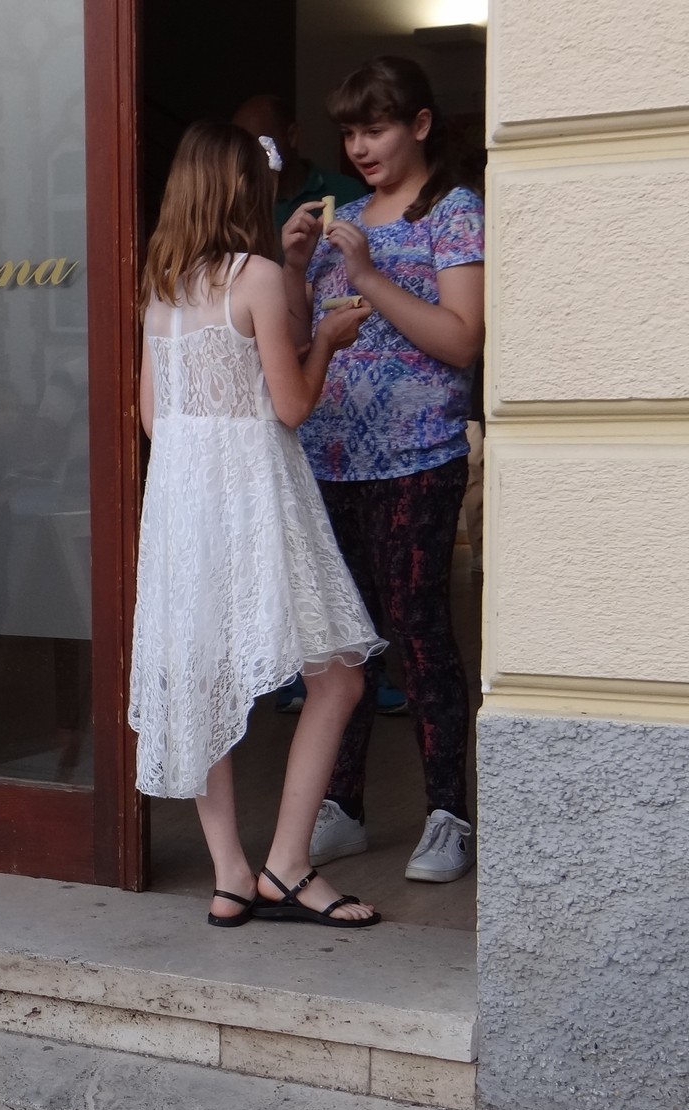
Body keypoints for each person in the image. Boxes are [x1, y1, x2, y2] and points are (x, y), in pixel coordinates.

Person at [130, 121, 386, 930]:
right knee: (339, 673)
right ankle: (286, 863)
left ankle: (231, 875)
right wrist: (330, 343)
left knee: (201, 679)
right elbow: (294, 404)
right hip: (253, 493)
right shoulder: (259, 278)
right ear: (250, 189)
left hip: (179, 499)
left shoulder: (162, 286)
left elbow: (148, 417)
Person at [279, 57, 485, 883]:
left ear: (421, 125)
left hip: (417, 459)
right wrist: (295, 268)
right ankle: (344, 805)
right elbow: (298, 342)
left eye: (377, 128)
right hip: (331, 458)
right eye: (352, 132)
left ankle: (448, 813)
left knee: (420, 633)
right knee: (343, 642)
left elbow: (461, 340)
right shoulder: (347, 216)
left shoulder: (454, 212)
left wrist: (367, 274)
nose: (361, 146)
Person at [233, 94, 366, 231]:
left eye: (261, 145)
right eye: (243, 149)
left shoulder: (347, 192)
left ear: (292, 136)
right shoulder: (240, 204)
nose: (248, 158)